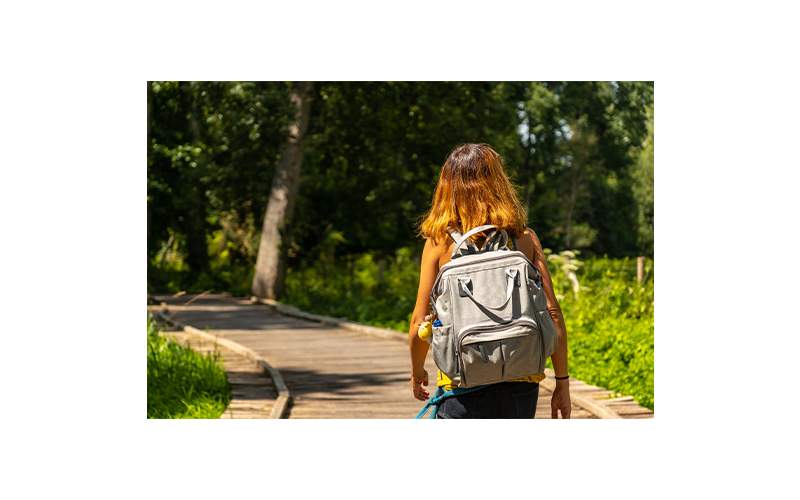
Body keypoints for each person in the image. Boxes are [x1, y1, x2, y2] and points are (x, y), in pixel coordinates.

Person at [409, 143, 572, 419]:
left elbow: (420, 321)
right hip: (521, 384)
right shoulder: (524, 238)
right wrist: (562, 383)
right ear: (499, 183)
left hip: (461, 384)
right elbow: (552, 313)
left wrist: (416, 373)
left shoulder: (439, 243)